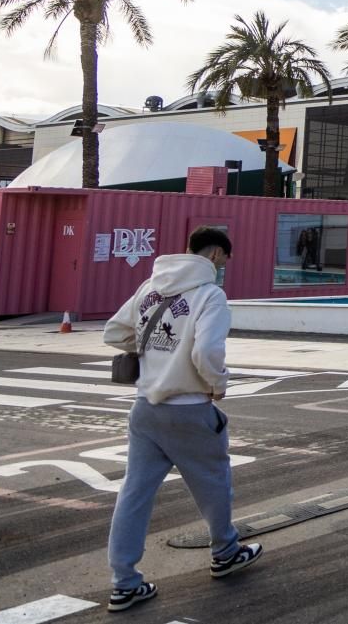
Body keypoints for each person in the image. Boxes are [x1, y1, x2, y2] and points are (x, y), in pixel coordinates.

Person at [102, 227, 262, 612]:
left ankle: (124, 582)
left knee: (134, 493)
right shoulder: (210, 295)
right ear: (216, 256)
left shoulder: (149, 288)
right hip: (189, 408)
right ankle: (225, 552)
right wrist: (217, 383)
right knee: (213, 483)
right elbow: (207, 351)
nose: (223, 267)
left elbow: (114, 331)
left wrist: (152, 354)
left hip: (144, 409)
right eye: (224, 260)